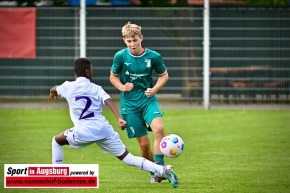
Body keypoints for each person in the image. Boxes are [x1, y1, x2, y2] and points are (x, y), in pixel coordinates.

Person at [48, 57, 178, 188]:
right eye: (92, 69)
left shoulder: (67, 87)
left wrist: (52, 91)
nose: (92, 72)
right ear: (87, 72)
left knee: (56, 141)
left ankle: (56, 177)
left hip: (83, 131)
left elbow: (54, 88)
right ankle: (163, 170)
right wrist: (118, 118)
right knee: (129, 158)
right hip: (104, 129)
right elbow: (108, 101)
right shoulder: (96, 88)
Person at [109, 22, 169, 183]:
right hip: (129, 105)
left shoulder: (153, 56)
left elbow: (164, 75)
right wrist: (122, 86)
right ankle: (154, 172)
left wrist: (154, 89)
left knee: (159, 128)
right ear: (124, 41)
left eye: (135, 40)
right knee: (144, 144)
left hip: (148, 100)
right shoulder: (120, 56)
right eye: (129, 41)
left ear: (141, 38)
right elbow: (113, 76)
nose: (132, 44)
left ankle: (161, 170)